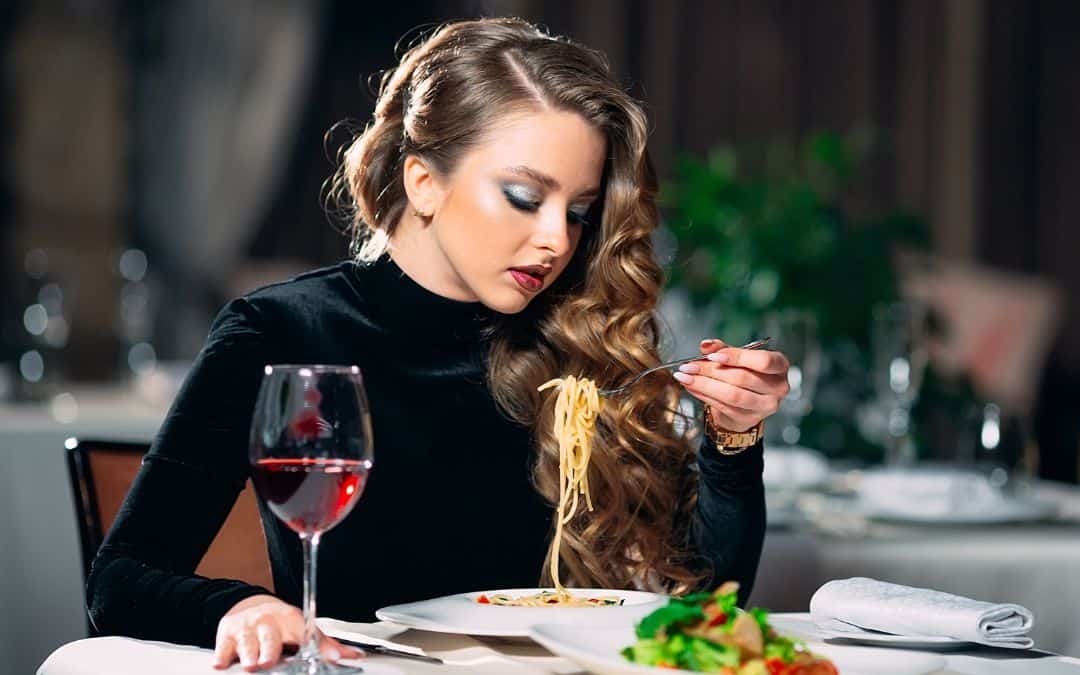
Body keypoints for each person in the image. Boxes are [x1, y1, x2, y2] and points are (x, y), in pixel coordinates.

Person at [87, 17, 791, 671]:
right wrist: (237, 605)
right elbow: (119, 581)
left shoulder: (574, 338)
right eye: (524, 196)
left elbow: (706, 605)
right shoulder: (281, 332)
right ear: (422, 180)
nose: (556, 238)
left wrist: (733, 439)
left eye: (578, 212)